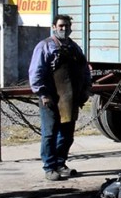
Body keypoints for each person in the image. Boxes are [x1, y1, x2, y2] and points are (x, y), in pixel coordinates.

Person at [28, 15, 92, 181]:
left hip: (70, 100)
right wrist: (42, 94)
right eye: (61, 26)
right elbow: (36, 72)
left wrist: (86, 88)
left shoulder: (75, 48)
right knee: (49, 134)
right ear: (54, 26)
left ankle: (60, 163)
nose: (64, 29)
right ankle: (49, 167)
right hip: (50, 98)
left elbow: (85, 70)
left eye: (67, 26)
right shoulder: (44, 46)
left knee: (67, 134)